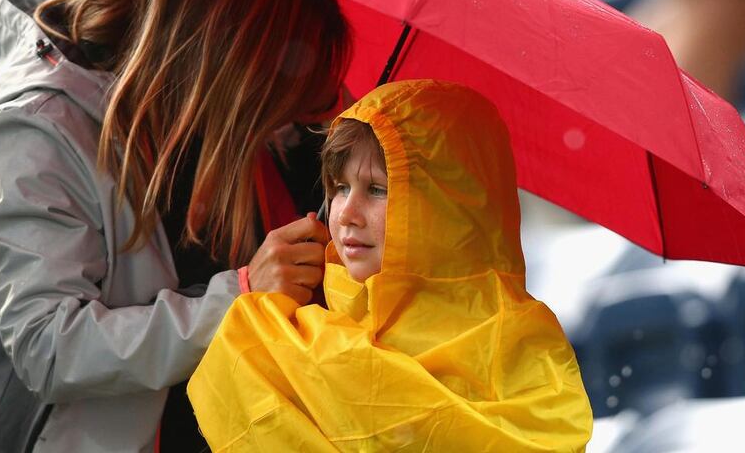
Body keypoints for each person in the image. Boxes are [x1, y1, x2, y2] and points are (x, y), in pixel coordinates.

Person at [0, 0, 350, 452]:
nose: (285, 123)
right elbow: (49, 347)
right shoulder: (41, 129)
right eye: (273, 107)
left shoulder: (211, 119)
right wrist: (240, 297)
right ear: (230, 78)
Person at [188, 79, 593, 451]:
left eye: (378, 190)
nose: (347, 213)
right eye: (341, 187)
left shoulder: (518, 345)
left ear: (446, 208)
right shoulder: (298, 335)